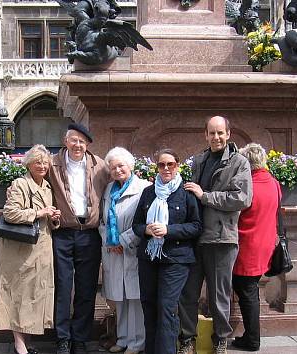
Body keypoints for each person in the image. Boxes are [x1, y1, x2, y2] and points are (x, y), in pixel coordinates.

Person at [179, 116, 253, 354]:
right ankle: (187, 338)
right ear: (205, 135)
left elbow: (241, 198)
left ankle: (220, 339)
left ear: (229, 134)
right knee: (188, 294)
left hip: (221, 239)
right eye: (212, 133)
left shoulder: (239, 162)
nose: (216, 137)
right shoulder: (199, 160)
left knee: (219, 296)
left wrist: (205, 196)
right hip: (194, 237)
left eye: (220, 133)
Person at [0, 144, 61, 354]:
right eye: (38, 162)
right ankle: (20, 345)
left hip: (41, 248)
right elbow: (10, 213)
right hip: (19, 251)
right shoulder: (20, 183)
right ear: (29, 164)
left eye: (45, 162)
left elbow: (48, 218)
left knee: (33, 295)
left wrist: (53, 218)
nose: (42, 166)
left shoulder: (47, 187)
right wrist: (40, 212)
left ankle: (26, 341)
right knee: (18, 295)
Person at [132, 148, 202, 354]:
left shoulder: (187, 193)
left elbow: (197, 226)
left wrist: (168, 230)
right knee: (149, 304)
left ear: (177, 165)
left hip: (176, 259)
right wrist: (146, 229)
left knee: (166, 306)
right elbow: (136, 224)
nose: (165, 168)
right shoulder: (148, 192)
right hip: (149, 258)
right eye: (161, 165)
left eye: (170, 164)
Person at [48, 123, 110, 354]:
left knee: (86, 289)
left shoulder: (99, 165)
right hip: (63, 233)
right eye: (74, 140)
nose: (78, 145)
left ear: (87, 145)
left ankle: (80, 339)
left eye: (82, 142)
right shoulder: (52, 164)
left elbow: (118, 183)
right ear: (65, 141)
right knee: (63, 287)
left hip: (90, 234)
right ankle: (62, 338)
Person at [98, 147, 151, 354]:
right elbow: (102, 221)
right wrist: (110, 240)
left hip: (132, 249)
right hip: (113, 251)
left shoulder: (144, 188)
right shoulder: (108, 189)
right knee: (120, 298)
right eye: (113, 167)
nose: (117, 170)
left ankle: (136, 342)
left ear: (131, 166)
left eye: (121, 165)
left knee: (134, 298)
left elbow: (146, 221)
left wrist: (123, 240)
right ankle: (122, 338)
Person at [231, 143, 280, 352]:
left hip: (247, 245)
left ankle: (252, 339)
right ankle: (251, 337)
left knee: (247, 293)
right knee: (250, 291)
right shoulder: (273, 182)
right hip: (265, 243)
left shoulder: (249, 184)